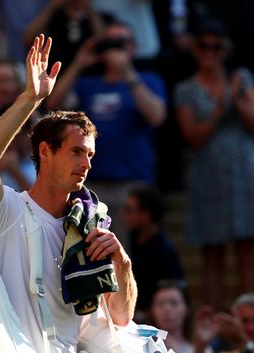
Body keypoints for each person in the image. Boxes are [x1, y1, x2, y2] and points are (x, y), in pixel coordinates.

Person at [0, 34, 137, 353]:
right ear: (45, 152)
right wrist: (30, 100)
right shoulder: (8, 210)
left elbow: (121, 319)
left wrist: (122, 265)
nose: (86, 163)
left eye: (90, 154)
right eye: (77, 152)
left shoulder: (92, 225)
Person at [173, 20, 254, 308]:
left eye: (216, 47)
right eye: (204, 46)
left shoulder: (242, 78)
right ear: (195, 49)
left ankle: (252, 320)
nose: (210, 53)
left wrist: (234, 98)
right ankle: (213, 327)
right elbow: (193, 136)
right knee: (212, 255)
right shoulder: (186, 89)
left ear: (225, 50)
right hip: (209, 174)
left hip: (244, 171)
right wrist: (220, 106)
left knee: (247, 253)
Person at [45, 21, 167, 242]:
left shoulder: (147, 80)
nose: (114, 49)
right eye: (109, 43)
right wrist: (78, 64)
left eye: (121, 43)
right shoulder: (87, 84)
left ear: (133, 48)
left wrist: (127, 73)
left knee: (130, 257)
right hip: (92, 181)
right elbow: (53, 106)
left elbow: (157, 116)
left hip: (133, 181)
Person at [121, 186, 184, 319]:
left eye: (129, 210)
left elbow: (172, 292)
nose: (123, 214)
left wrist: (141, 315)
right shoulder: (134, 237)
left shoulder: (164, 251)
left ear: (146, 215)